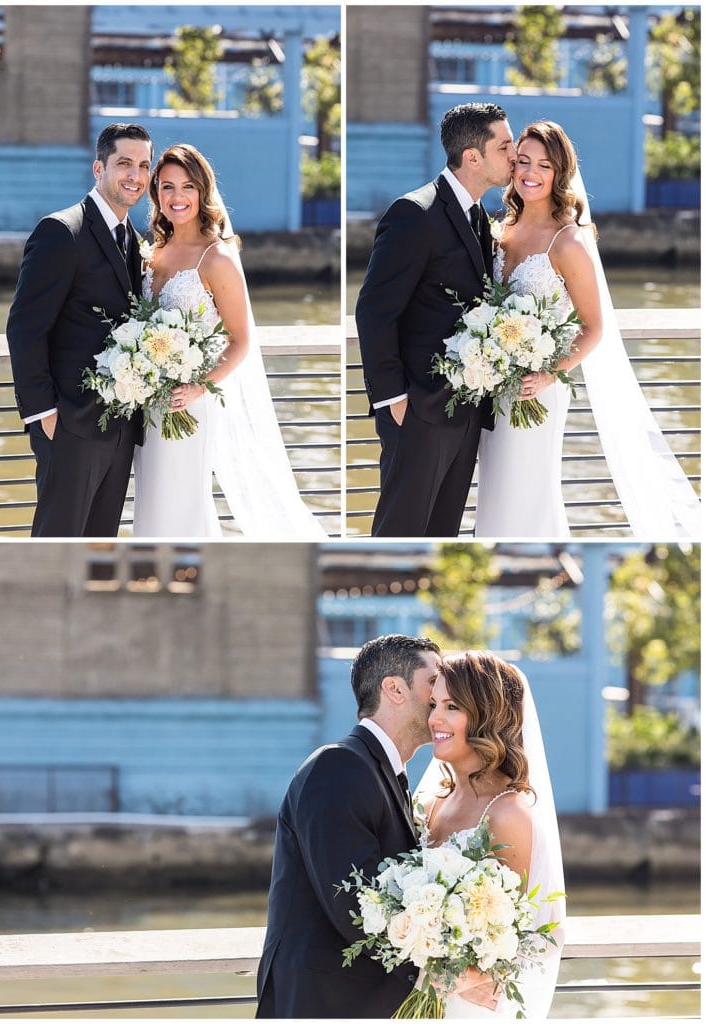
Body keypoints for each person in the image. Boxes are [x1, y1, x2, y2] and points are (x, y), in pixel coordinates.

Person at [476, 120, 701, 539]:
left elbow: (594, 327)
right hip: (493, 387)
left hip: (540, 389)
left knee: (529, 490)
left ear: (559, 173)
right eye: (522, 161)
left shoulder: (569, 242)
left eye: (543, 165)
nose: (530, 172)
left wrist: (548, 373)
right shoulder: (498, 230)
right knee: (494, 490)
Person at [133, 144, 327, 538]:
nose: (177, 197)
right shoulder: (151, 251)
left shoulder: (216, 258)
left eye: (187, 186)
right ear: (156, 193)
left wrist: (196, 387)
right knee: (152, 501)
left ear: (202, 191)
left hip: (190, 403)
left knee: (183, 499)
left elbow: (240, 341)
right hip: (146, 401)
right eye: (167, 187)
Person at [256, 634, 442, 1019]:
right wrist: (447, 952)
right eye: (433, 682)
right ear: (394, 689)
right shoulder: (338, 767)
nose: (442, 695)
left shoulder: (382, 773)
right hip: (323, 1005)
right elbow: (355, 907)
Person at [356, 103, 516, 538]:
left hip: (464, 413)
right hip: (419, 412)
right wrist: (394, 401)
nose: (514, 154)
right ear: (472, 157)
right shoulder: (414, 213)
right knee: (399, 533)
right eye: (504, 146)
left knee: (443, 537)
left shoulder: (479, 216)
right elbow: (373, 310)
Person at [6, 123, 152, 537]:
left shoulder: (134, 241)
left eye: (143, 165)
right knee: (57, 542)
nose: (135, 176)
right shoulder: (61, 231)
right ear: (98, 168)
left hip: (120, 427)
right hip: (69, 424)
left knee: (99, 542)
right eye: (124, 163)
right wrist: (44, 414)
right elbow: (24, 328)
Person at [416, 651, 565, 1019]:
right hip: (418, 991)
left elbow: (527, 934)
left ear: (486, 715)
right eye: (434, 704)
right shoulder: (432, 801)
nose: (435, 718)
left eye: (452, 706)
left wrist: (462, 975)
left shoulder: (508, 813)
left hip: (471, 1005)